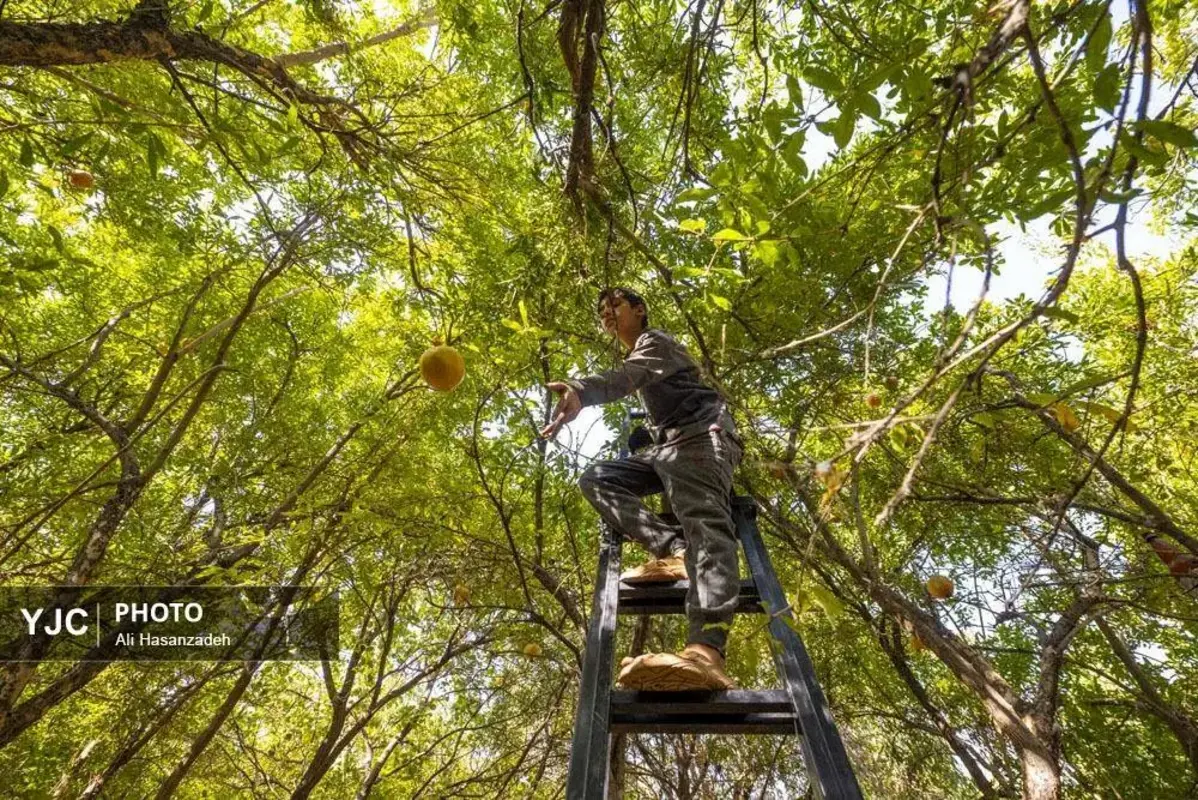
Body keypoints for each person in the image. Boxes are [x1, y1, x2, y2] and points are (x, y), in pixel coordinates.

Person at [540, 287, 743, 691]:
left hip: (701, 438)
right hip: (668, 449)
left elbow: (628, 377)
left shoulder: (656, 341)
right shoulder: (641, 355)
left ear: (639, 309)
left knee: (706, 523)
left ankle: (706, 652)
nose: (606, 313)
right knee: (598, 477)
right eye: (601, 310)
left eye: (613, 305)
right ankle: (674, 550)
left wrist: (581, 390)